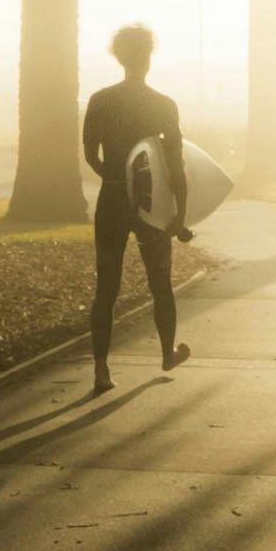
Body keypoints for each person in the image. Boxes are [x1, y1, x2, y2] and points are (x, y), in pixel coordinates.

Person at [80, 21, 190, 393]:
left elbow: (89, 154)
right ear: (149, 60)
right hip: (151, 202)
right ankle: (167, 352)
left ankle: (101, 368)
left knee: (106, 286)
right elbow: (175, 163)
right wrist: (181, 210)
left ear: (120, 58)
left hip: (111, 199)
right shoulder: (162, 105)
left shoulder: (100, 100)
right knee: (160, 280)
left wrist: (115, 177)